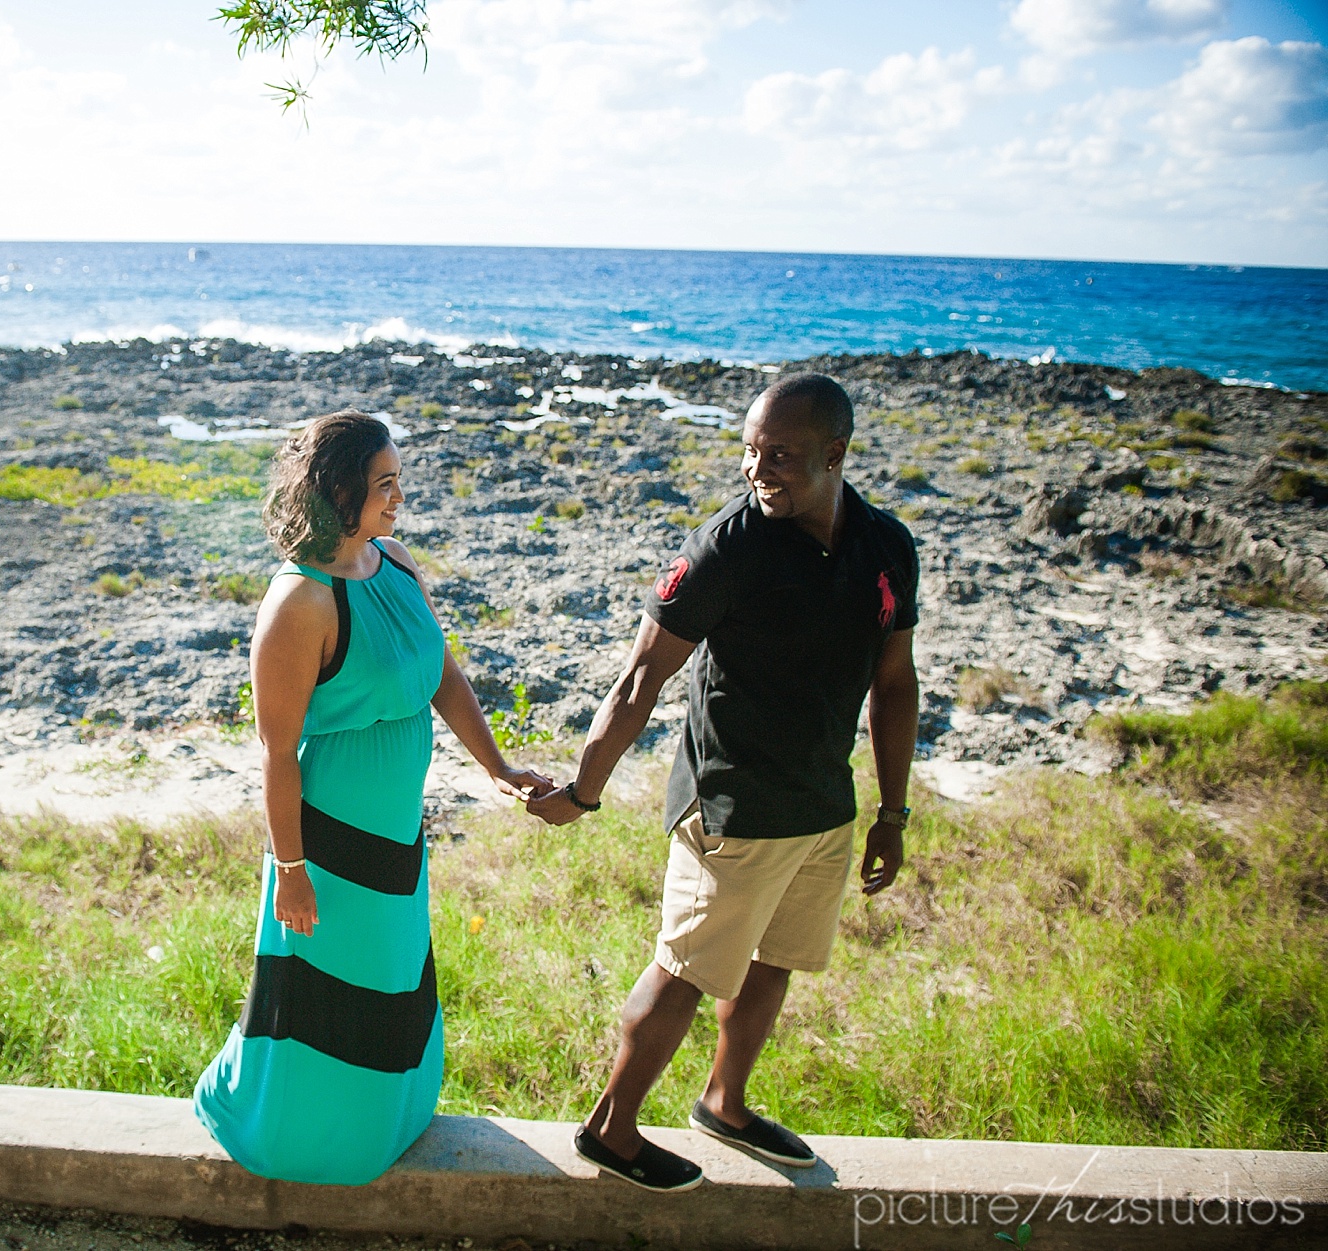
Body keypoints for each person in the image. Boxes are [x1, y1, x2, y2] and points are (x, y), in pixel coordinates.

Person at [527, 373, 920, 1192]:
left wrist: (893, 810)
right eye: (748, 449)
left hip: (820, 804)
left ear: (835, 453)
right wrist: (584, 790)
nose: (755, 468)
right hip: (732, 806)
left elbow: (896, 679)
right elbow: (641, 678)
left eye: (779, 454)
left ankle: (725, 1103)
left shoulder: (887, 547)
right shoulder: (728, 547)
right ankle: (611, 1128)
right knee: (686, 968)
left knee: (773, 960)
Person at [194, 409, 554, 1186]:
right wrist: (291, 868)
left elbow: (440, 669)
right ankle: (307, 1138)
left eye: (398, 479)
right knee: (329, 988)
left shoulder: (390, 561)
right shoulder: (301, 601)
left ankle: (389, 1114)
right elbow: (277, 753)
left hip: (395, 823)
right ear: (338, 491)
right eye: (383, 483)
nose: (398, 496)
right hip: (327, 835)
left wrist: (495, 765)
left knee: (391, 973)